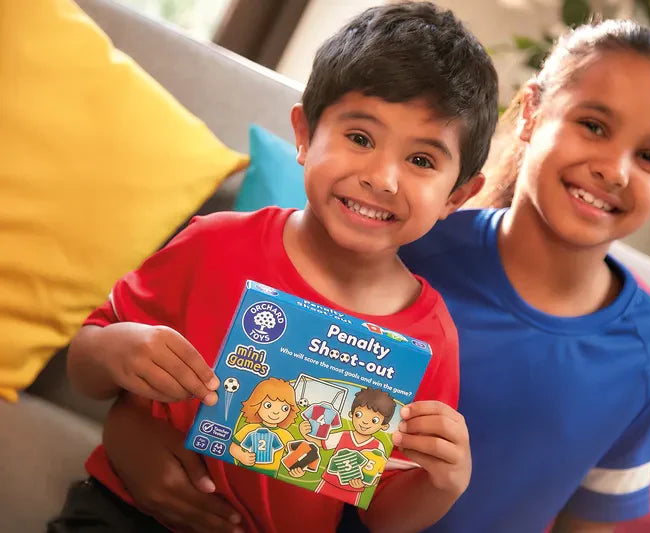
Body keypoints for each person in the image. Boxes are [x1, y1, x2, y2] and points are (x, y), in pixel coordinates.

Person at [97, 18, 650, 533]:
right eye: (593, 125)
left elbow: (594, 517)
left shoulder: (648, 347)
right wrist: (129, 432)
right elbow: (216, 352)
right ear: (530, 114)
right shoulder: (397, 242)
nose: (615, 169)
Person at [51, 2, 498, 533]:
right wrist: (118, 346)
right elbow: (85, 365)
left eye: (421, 160)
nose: (382, 178)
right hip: (119, 514)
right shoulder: (214, 243)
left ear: (458, 195)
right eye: (360, 138)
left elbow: (384, 517)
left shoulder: (430, 339)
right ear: (305, 134)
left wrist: (442, 482)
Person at [300, 388, 394, 506]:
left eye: (374, 420)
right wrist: (306, 435)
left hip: (353, 490)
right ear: (351, 415)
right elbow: (322, 443)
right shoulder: (343, 435)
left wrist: (364, 484)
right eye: (359, 414)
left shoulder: (378, 446)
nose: (365, 422)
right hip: (328, 483)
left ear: (384, 426)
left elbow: (377, 473)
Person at [228, 378, 298, 476]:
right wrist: (242, 456)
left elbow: (294, 456)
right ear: (256, 404)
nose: (276, 412)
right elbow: (234, 447)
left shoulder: (285, 435)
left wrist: (297, 470)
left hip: (271, 474)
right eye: (268, 405)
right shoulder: (249, 428)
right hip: (243, 469)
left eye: (284, 408)